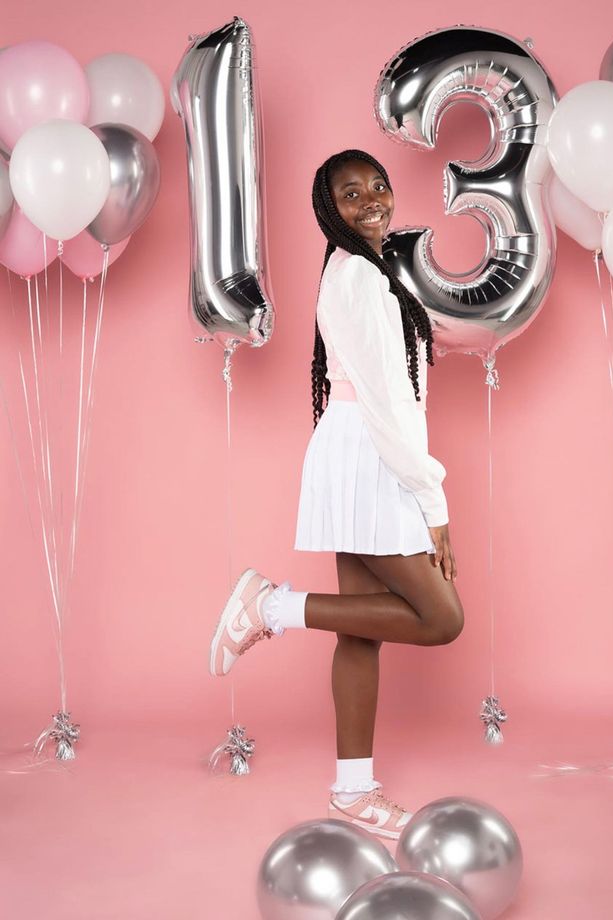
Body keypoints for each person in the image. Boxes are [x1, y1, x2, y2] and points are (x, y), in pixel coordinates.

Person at [209, 149, 464, 840]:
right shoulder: (358, 278)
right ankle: (271, 605)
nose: (372, 200)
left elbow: (390, 395)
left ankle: (353, 793)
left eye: (378, 186)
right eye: (351, 193)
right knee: (442, 618)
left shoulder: (362, 271)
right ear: (329, 209)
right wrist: (434, 506)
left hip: (359, 450)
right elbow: (389, 405)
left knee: (359, 628)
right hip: (371, 454)